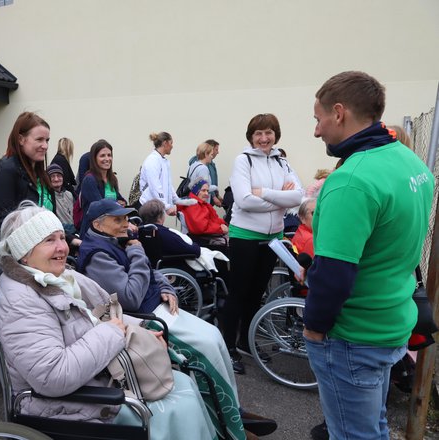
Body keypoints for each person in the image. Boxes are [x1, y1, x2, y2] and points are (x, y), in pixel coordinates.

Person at [0, 201, 219, 440]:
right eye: (49, 240)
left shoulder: (61, 277)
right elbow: (53, 376)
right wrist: (114, 333)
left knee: (185, 382)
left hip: (98, 376)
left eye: (61, 237)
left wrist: (141, 331)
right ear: (24, 253)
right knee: (180, 406)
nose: (62, 247)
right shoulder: (20, 302)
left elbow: (109, 309)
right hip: (64, 407)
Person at [304, 70, 434, 440]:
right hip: (391, 321)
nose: (317, 131)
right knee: (373, 428)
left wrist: (314, 327)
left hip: (352, 336)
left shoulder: (351, 179)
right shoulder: (410, 163)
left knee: (353, 435)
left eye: (318, 119)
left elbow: (334, 273)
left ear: (339, 113)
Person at [78, 199, 277, 439]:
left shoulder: (114, 241)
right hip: (143, 317)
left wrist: (166, 287)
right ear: (98, 225)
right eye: (118, 219)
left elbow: (151, 273)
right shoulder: (98, 255)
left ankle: (232, 410)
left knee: (214, 336)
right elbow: (130, 297)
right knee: (205, 348)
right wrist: (137, 251)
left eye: (126, 219)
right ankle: (226, 424)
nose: (126, 224)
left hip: (157, 307)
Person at [224, 113, 303, 374]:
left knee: (257, 293)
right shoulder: (243, 160)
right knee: (238, 293)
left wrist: (266, 194)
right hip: (245, 236)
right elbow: (244, 200)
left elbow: (299, 196)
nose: (264, 138)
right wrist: (282, 198)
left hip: (273, 238)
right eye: (258, 133)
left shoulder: (282, 161)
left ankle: (246, 342)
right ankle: (228, 348)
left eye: (268, 132)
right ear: (251, 137)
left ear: (275, 135)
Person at [0, 112, 56, 241]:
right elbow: (3, 226)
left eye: (47, 140)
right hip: (17, 254)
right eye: (39, 140)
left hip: (43, 248)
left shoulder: (42, 175)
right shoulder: (7, 172)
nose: (45, 146)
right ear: (21, 139)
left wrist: (70, 239)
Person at [79, 139, 127, 237]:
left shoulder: (112, 179)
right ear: (94, 159)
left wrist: (119, 202)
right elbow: (100, 208)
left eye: (109, 155)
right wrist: (116, 204)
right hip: (94, 232)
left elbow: (122, 200)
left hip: (111, 230)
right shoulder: (89, 180)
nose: (107, 158)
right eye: (102, 155)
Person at [139, 132, 189, 214]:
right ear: (165, 143)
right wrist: (166, 207)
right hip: (148, 208)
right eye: (171, 143)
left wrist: (177, 201)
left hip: (157, 207)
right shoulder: (152, 160)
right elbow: (155, 186)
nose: (172, 146)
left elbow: (168, 185)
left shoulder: (163, 161)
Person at [189, 139, 222, 205]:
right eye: (211, 154)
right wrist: (216, 188)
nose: (212, 156)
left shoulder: (194, 165)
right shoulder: (203, 168)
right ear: (206, 154)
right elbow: (203, 189)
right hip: (201, 204)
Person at [47, 163, 75, 233]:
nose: (56, 179)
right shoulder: (47, 197)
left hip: (74, 230)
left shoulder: (69, 194)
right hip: (59, 232)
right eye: (52, 176)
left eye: (59, 176)